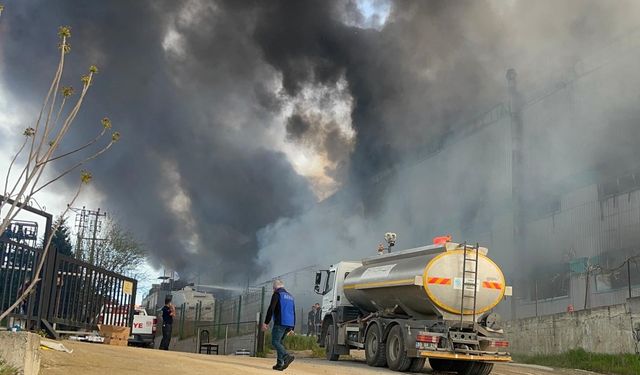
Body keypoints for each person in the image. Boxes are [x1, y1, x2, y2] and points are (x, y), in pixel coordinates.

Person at [261, 279, 295, 371]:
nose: (273, 290)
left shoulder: (277, 294)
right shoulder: (290, 296)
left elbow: (271, 308)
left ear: (275, 287)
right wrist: (292, 327)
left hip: (280, 322)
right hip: (289, 324)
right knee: (279, 342)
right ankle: (279, 364)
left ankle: (286, 356)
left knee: (275, 341)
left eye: (273, 288)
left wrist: (266, 322)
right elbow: (293, 311)